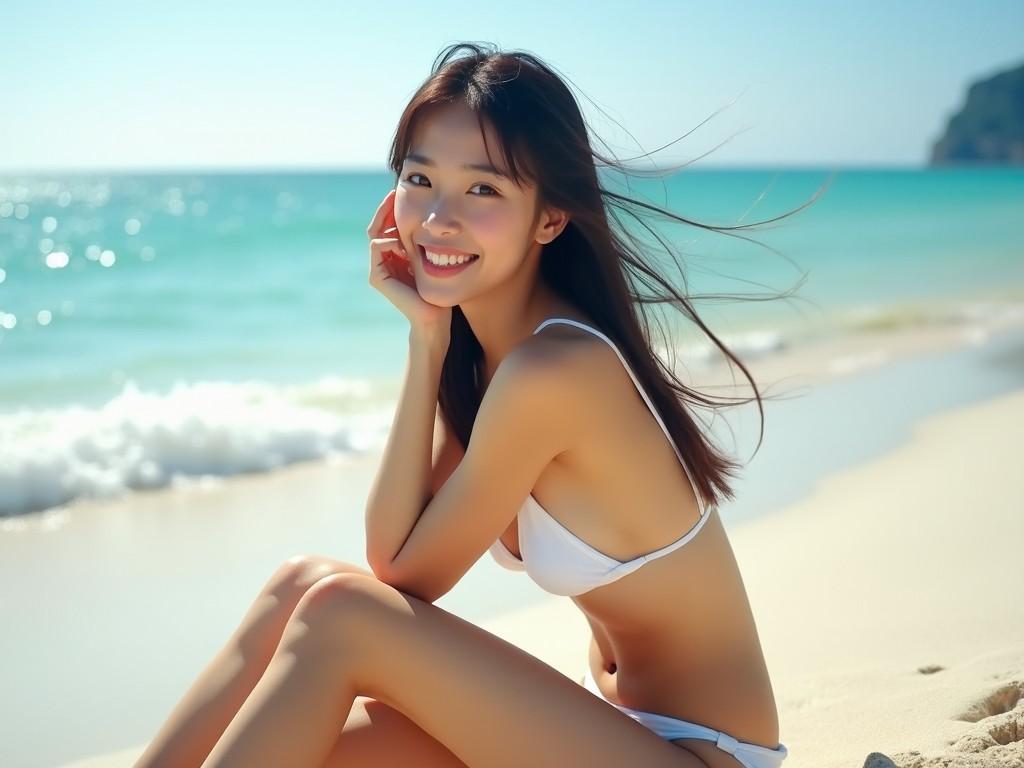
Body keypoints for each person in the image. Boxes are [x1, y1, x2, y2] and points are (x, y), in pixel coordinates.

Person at [138, 42, 806, 768]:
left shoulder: (555, 373)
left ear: (549, 219)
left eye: (482, 190)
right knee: (302, 592)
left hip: (704, 758)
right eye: (420, 179)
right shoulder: (492, 360)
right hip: (610, 734)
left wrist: (429, 342)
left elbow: (400, 581)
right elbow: (392, 556)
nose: (436, 219)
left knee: (337, 615)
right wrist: (428, 342)